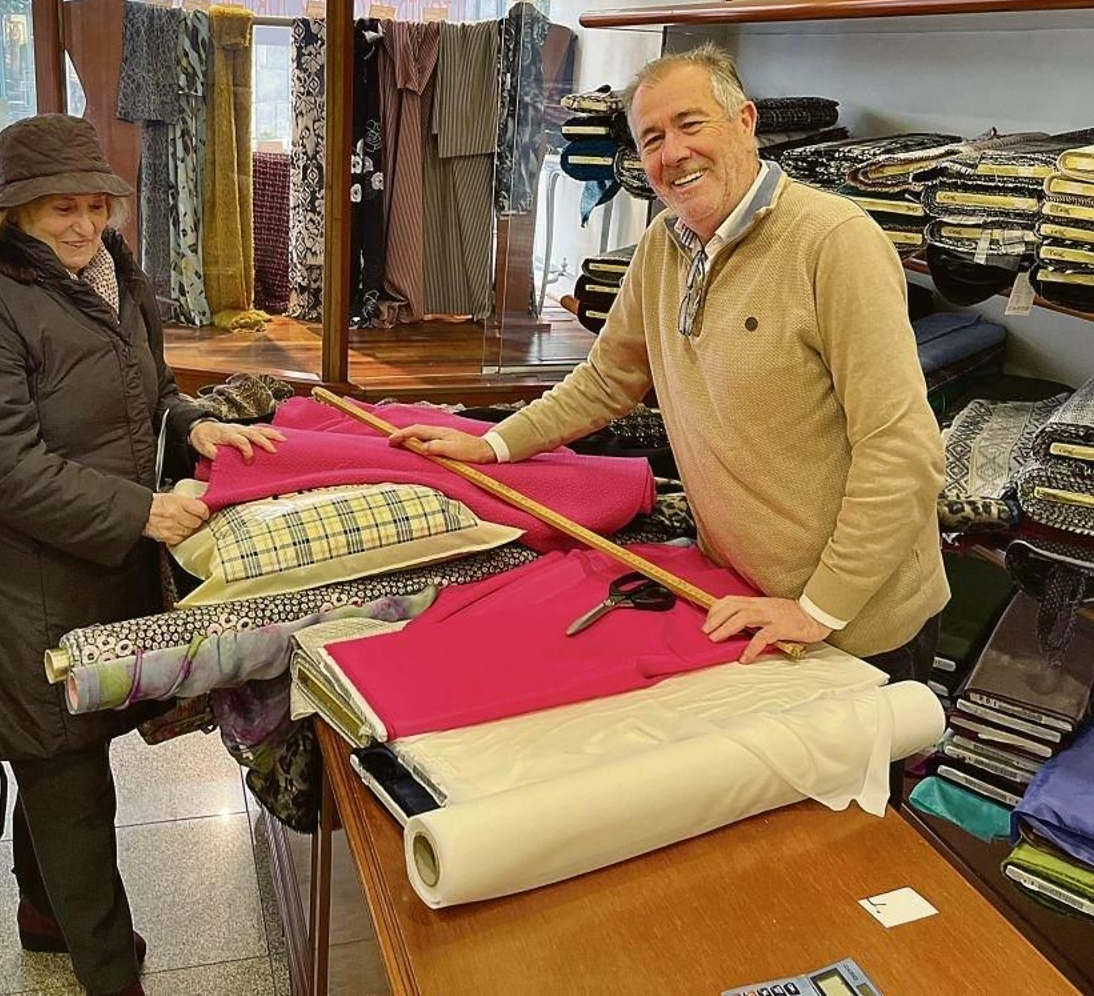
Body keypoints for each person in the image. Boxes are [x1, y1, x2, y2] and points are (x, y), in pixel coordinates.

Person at [393, 46, 949, 682]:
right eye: (651, 138)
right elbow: (608, 380)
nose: (672, 153)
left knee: (852, 782)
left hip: (855, 623)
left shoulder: (832, 242)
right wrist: (493, 444)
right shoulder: (665, 244)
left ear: (744, 122)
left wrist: (820, 607)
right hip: (741, 598)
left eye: (691, 124)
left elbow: (901, 447)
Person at [0, 114, 281, 996]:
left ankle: (43, 915)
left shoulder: (117, 275)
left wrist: (203, 423)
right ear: (11, 214)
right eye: (57, 211)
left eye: (94, 205)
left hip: (89, 554)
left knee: (60, 745)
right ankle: (110, 974)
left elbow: (149, 393)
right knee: (67, 772)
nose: (83, 226)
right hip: (14, 576)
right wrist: (142, 512)